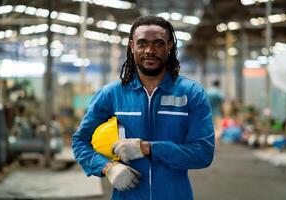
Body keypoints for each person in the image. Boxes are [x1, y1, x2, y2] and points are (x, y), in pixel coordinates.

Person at [72, 15, 215, 200]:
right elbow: (80, 141)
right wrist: (108, 167)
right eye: (142, 43)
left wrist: (147, 148)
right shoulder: (111, 94)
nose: (149, 50)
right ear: (132, 46)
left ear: (169, 46)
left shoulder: (191, 93)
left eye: (158, 43)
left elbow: (203, 152)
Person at [206, 79, 224, 145]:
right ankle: (216, 140)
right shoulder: (219, 92)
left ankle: (211, 141)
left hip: (208, 113)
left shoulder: (207, 91)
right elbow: (222, 103)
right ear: (219, 84)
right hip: (217, 112)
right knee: (219, 128)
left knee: (211, 127)